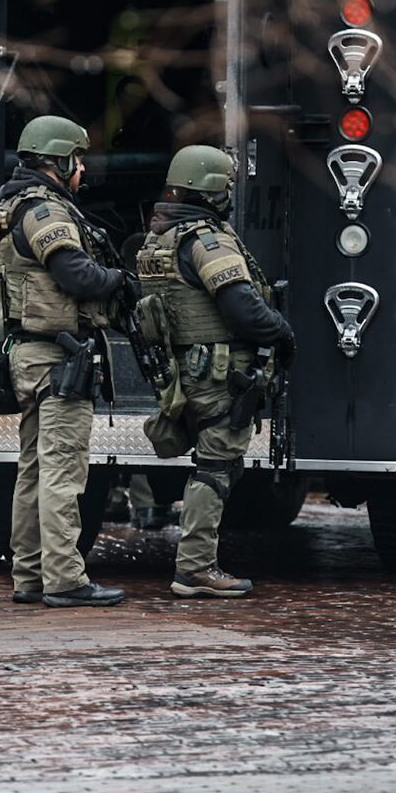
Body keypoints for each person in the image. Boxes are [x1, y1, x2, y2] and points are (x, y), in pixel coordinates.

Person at [0, 115, 135, 608]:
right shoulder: (45, 211)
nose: (83, 169)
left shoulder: (14, 205)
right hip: (57, 359)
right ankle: (65, 579)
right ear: (61, 160)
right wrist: (116, 280)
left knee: (32, 468)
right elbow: (74, 273)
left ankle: (29, 576)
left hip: (31, 357)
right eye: (79, 158)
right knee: (62, 471)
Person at [136, 145, 294, 598]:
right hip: (218, 374)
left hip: (186, 371)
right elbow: (244, 309)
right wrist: (283, 334)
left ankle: (196, 563)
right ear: (209, 189)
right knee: (216, 466)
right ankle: (195, 568)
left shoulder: (157, 240)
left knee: (215, 464)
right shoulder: (206, 242)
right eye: (225, 186)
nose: (228, 195)